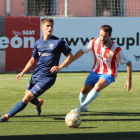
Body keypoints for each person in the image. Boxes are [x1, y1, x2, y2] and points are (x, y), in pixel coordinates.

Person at [0, 18, 73, 122]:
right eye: (47, 26)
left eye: (51, 26)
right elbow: (32, 60)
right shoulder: (38, 43)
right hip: (36, 75)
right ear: (42, 27)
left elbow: (71, 56)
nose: (50, 28)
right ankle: (38, 104)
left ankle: (6, 117)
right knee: (28, 96)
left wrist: (59, 67)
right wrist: (22, 72)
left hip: (48, 77)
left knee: (26, 98)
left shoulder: (58, 42)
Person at [70, 25, 132, 114]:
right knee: (83, 91)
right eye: (101, 35)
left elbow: (128, 62)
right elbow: (81, 51)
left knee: (98, 86)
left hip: (110, 73)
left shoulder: (116, 49)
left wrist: (129, 80)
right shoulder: (94, 42)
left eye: (105, 36)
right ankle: (83, 107)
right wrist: (70, 61)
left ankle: (80, 107)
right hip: (95, 71)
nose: (102, 38)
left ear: (110, 36)